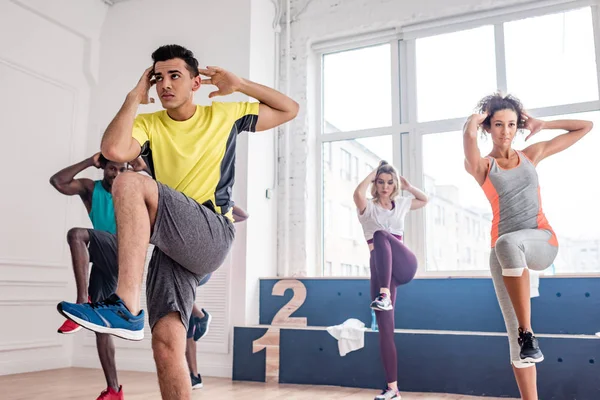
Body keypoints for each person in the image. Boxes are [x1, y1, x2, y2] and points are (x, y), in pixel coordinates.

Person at [57, 44, 298, 400]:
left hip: (212, 230)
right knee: (167, 343)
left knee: (127, 181)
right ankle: (132, 314)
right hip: (173, 245)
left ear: (195, 82)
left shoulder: (224, 115)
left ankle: (125, 305)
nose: (165, 85)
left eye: (175, 76)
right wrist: (133, 97)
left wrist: (240, 83)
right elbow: (113, 151)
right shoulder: (148, 124)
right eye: (158, 79)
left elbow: (289, 109)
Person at [463, 93, 593, 400]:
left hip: (541, 241)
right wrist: (472, 122)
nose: (505, 131)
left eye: (510, 124)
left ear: (518, 126)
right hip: (504, 252)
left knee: (508, 243)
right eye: (497, 125)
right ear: (487, 127)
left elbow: (584, 126)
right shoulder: (483, 166)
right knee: (516, 343)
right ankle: (526, 363)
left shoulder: (530, 155)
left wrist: (544, 124)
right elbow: (469, 142)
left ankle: (527, 331)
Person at [49, 152, 144, 400]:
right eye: (112, 169)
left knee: (77, 235)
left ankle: (82, 303)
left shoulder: (133, 190)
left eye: (123, 169)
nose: (117, 174)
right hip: (105, 256)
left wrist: (144, 169)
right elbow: (58, 181)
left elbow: (167, 196)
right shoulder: (92, 189)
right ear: (103, 168)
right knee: (100, 325)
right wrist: (89, 162)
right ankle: (114, 390)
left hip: (124, 254)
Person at [353, 161, 428, 400]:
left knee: (381, 234)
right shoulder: (368, 208)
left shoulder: (402, 204)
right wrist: (371, 173)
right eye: (380, 182)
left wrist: (409, 186)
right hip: (381, 270)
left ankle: (383, 294)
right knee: (385, 330)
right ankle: (393, 389)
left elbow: (425, 200)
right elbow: (356, 193)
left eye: (390, 182)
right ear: (375, 184)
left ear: (394, 184)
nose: (385, 187)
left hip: (404, 265)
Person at [186, 206, 249, 389]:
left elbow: (244, 215)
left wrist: (224, 203)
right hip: (190, 266)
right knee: (187, 327)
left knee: (182, 295)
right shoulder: (189, 213)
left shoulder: (214, 212)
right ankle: (194, 376)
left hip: (201, 268)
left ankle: (201, 315)